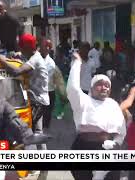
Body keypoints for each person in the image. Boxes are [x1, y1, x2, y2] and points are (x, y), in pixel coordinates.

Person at [67, 52, 126, 180]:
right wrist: (77, 63)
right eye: (99, 84)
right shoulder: (83, 101)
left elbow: (120, 131)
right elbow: (72, 88)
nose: (104, 87)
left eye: (107, 85)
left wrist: (116, 143)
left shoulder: (113, 105)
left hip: (108, 150)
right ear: (91, 88)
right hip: (84, 149)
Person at [0, 34, 49, 147]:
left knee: (27, 131)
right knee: (36, 132)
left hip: (38, 101)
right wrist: (16, 56)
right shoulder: (33, 56)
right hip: (38, 99)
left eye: (22, 48)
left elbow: (17, 71)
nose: (20, 50)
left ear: (27, 48)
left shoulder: (35, 59)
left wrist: (0, 59)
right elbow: (22, 59)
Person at [40, 38, 66, 130]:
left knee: (46, 119)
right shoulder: (35, 58)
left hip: (48, 93)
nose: (46, 48)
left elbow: (59, 81)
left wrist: (63, 95)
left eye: (48, 46)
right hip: (37, 94)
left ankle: (44, 136)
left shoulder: (51, 64)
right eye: (44, 45)